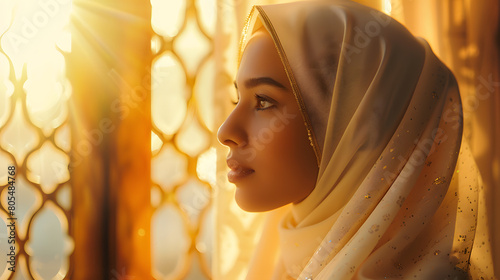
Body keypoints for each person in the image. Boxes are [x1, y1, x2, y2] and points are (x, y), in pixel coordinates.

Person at [217, 0, 493, 279]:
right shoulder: (289, 263)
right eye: (236, 98)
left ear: (359, 129)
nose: (226, 132)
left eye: (263, 101)